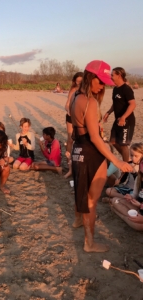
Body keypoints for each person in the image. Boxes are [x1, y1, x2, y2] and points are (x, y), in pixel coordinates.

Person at [70, 60, 133, 252]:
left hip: (79, 150)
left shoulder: (76, 97)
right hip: (91, 154)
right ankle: (89, 243)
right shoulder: (88, 101)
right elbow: (96, 140)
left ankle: (78, 220)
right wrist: (117, 161)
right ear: (90, 77)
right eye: (101, 81)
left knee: (82, 191)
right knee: (91, 200)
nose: (103, 85)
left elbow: (78, 131)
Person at [103, 67, 136, 162]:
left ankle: (125, 168)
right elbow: (116, 103)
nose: (111, 77)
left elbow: (133, 104)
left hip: (127, 121)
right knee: (112, 142)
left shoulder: (126, 89)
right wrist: (108, 112)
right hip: (117, 119)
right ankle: (128, 160)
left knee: (123, 144)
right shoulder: (115, 89)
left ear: (119, 75)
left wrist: (124, 117)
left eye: (112, 75)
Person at [111, 144, 143, 231]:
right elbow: (135, 194)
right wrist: (131, 197)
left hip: (140, 208)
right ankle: (130, 217)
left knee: (140, 226)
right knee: (115, 200)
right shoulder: (139, 178)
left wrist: (140, 205)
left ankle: (121, 215)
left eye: (136, 156)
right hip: (137, 207)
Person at [64, 72, 83, 178]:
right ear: (75, 81)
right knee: (70, 139)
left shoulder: (86, 90)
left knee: (80, 139)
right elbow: (67, 104)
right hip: (71, 117)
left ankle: (79, 165)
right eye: (77, 81)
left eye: (81, 81)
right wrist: (68, 110)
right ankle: (70, 168)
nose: (79, 83)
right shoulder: (73, 90)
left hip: (81, 117)